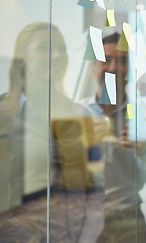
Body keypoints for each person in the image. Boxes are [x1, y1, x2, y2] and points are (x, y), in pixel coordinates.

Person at [0, 22, 94, 242]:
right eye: (45, 48)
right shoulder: (3, 115)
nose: (57, 56)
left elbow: (93, 191)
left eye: (62, 49)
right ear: (23, 58)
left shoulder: (80, 115)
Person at [80, 32, 146, 243]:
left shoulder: (145, 117)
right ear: (93, 67)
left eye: (122, 61)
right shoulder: (77, 114)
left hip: (128, 224)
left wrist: (144, 151)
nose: (113, 68)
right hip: (81, 220)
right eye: (106, 60)